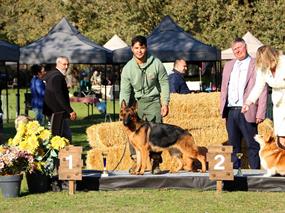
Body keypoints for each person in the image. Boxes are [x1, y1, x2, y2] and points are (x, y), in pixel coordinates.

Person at [119, 35, 170, 174]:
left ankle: (156, 163)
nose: (139, 51)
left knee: (156, 132)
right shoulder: (127, 68)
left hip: (153, 101)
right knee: (133, 131)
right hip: (138, 103)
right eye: (136, 48)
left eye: (142, 47)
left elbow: (164, 83)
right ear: (132, 49)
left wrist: (165, 103)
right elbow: (124, 91)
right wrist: (122, 110)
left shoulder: (156, 63)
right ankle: (137, 161)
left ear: (146, 48)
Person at [220, 38, 267, 169]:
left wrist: (260, 112)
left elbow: (262, 89)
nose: (237, 51)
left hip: (248, 110)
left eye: (239, 48)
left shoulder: (256, 64)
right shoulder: (228, 65)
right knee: (233, 145)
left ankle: (255, 175)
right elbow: (224, 88)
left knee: (252, 144)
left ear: (245, 47)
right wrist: (221, 107)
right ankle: (235, 174)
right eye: (234, 49)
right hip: (230, 110)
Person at [242, 45, 285, 149]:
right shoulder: (262, 68)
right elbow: (258, 86)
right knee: (281, 138)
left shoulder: (283, 62)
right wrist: (248, 102)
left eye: (266, 61)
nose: (265, 65)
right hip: (279, 104)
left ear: (273, 57)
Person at [43, 56, 77, 142]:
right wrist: (70, 110)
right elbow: (59, 95)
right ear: (58, 64)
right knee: (64, 135)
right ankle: (68, 153)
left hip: (51, 110)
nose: (66, 67)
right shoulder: (57, 76)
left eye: (67, 64)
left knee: (58, 134)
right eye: (64, 64)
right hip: (57, 111)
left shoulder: (50, 74)